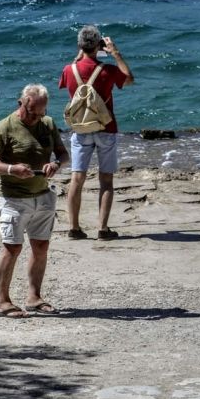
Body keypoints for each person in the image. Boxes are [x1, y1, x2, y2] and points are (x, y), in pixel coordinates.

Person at [0, 83, 69, 317]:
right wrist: (11, 169)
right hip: (14, 198)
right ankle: (3, 302)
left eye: (41, 113)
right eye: (32, 113)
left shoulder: (47, 124)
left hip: (42, 195)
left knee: (41, 246)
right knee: (12, 248)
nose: (36, 118)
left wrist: (56, 164)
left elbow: (63, 154)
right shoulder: (6, 126)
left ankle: (34, 297)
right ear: (22, 103)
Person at [58, 24, 134, 240]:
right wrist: (115, 53)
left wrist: (79, 54)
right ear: (99, 45)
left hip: (81, 129)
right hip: (105, 128)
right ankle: (103, 228)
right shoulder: (108, 71)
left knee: (76, 179)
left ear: (80, 46)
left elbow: (67, 81)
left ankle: (74, 227)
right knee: (106, 180)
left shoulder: (68, 70)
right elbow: (129, 78)